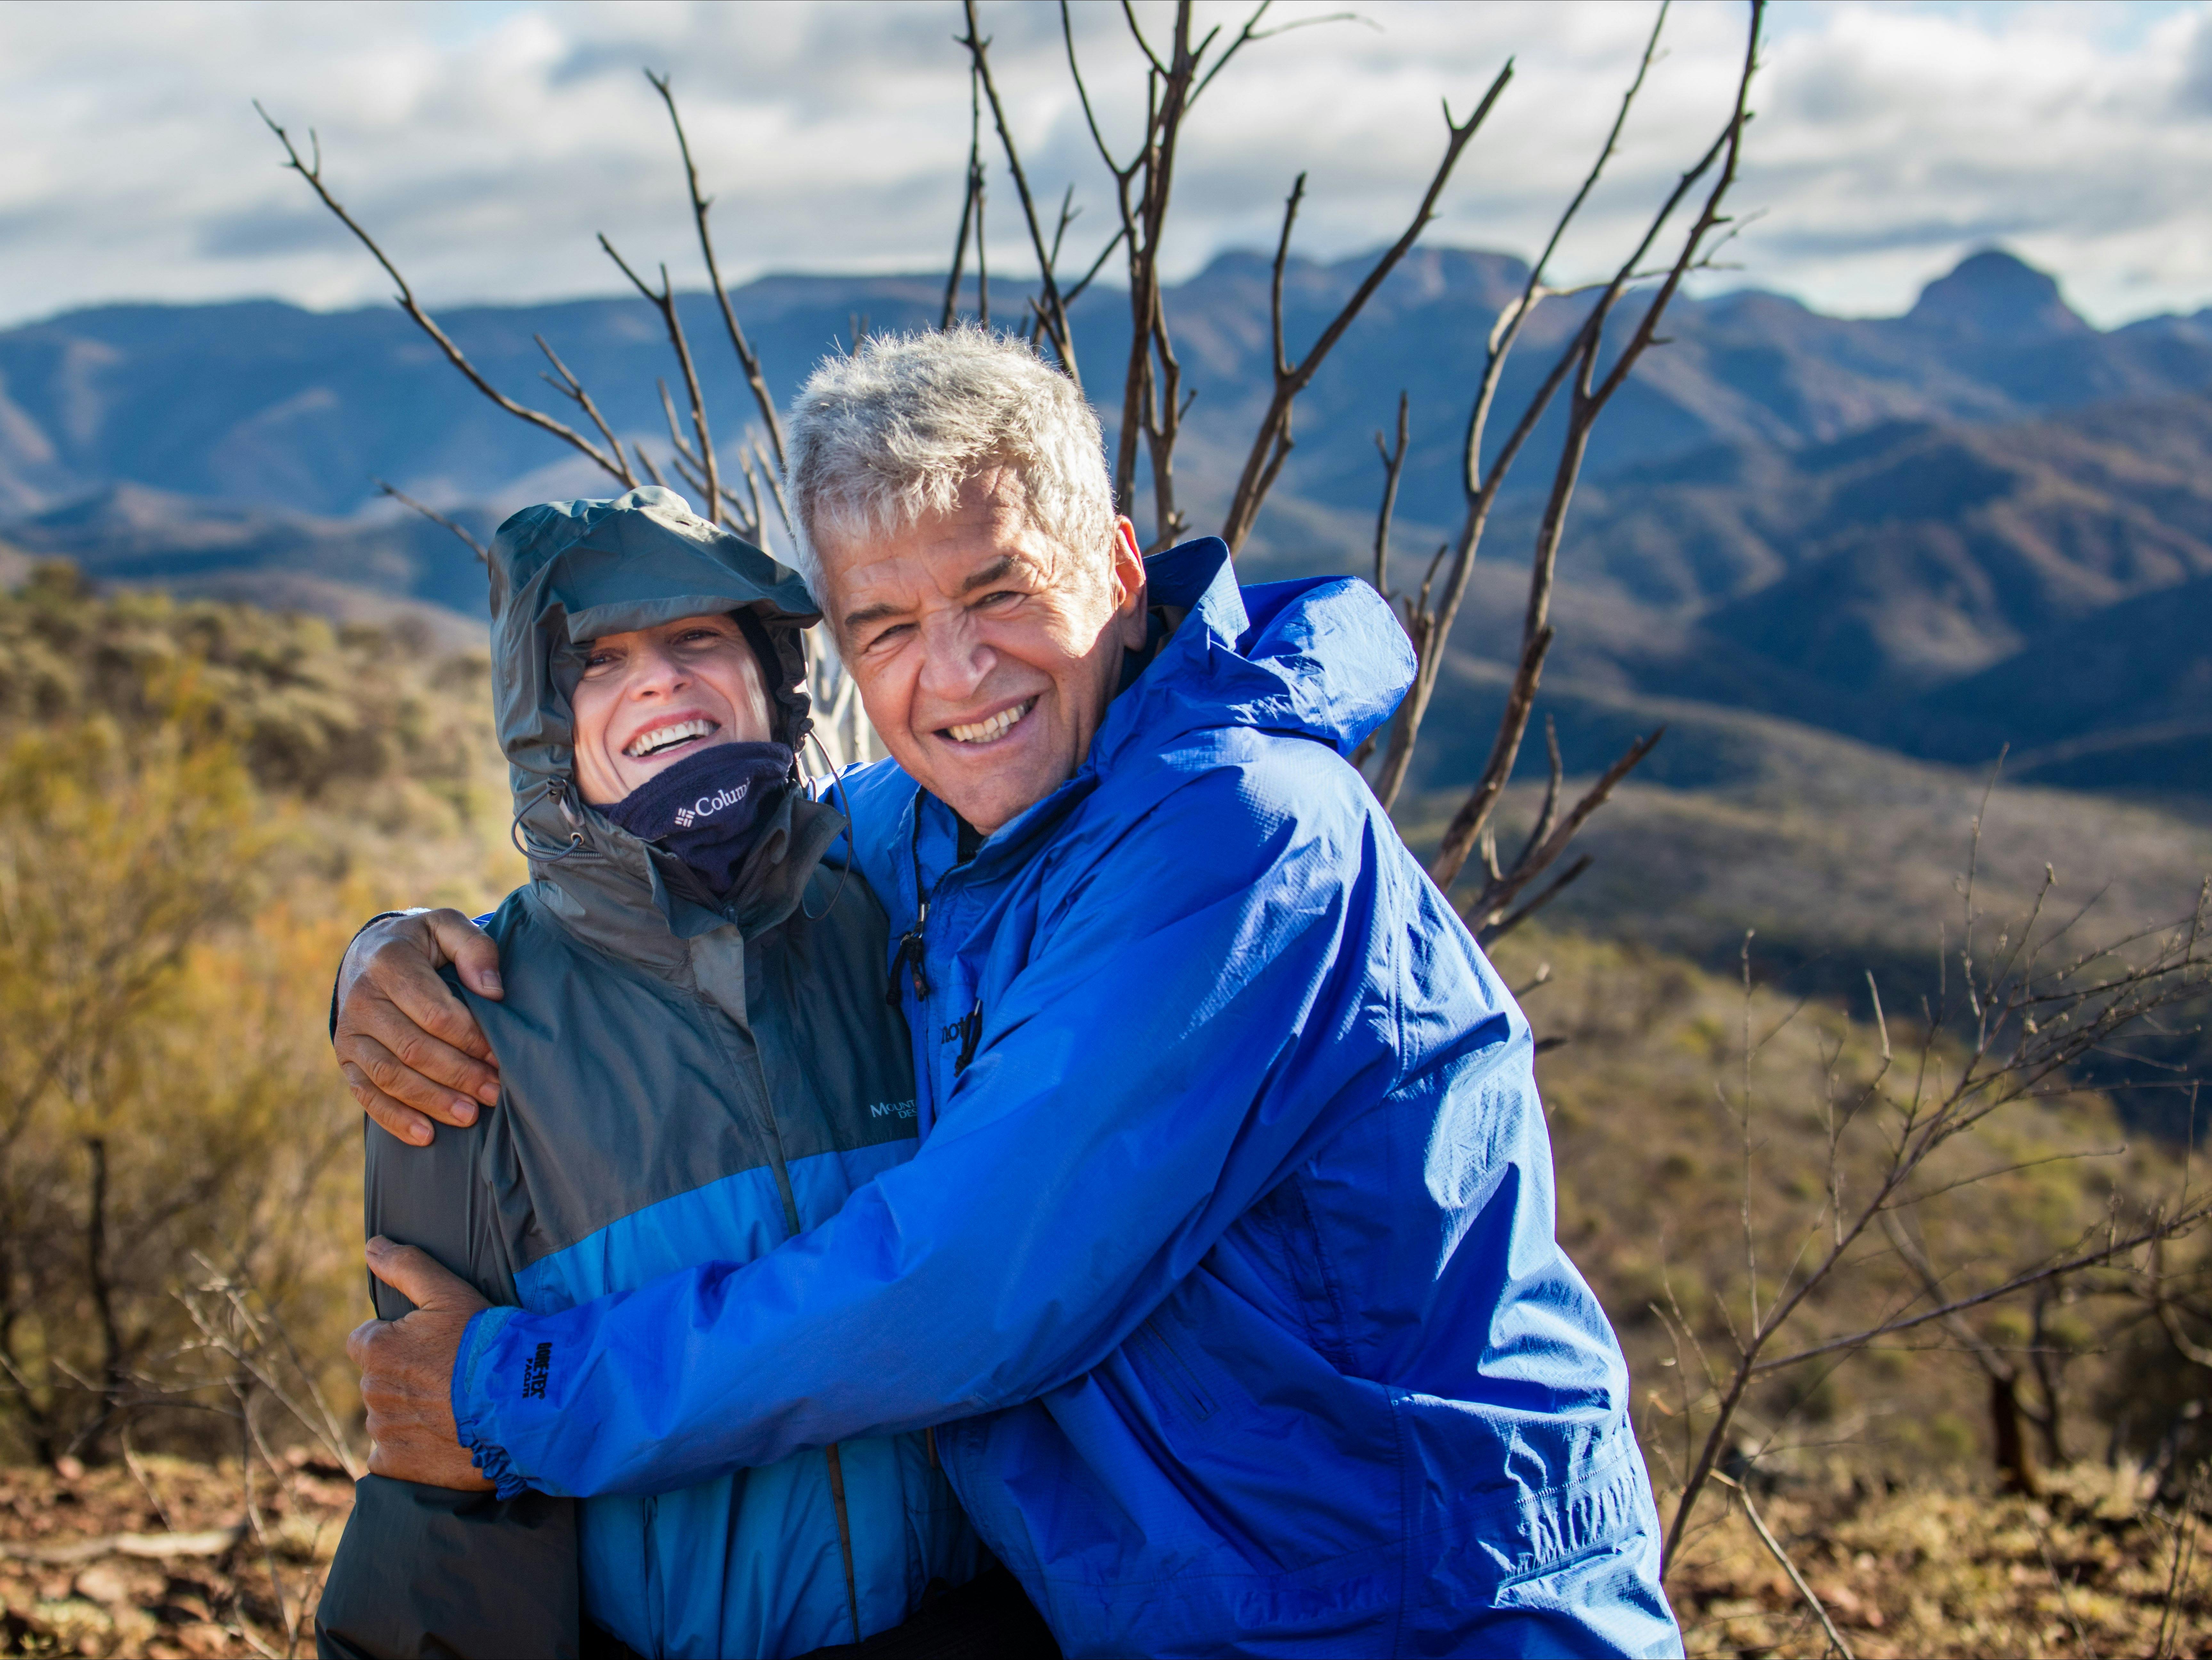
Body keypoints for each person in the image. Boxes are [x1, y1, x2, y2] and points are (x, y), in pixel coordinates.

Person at [336, 328, 1682, 1658]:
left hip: (1423, 1612)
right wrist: (391, 953)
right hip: (1198, 1611)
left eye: (998, 596)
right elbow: (697, 866)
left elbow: (966, 1289)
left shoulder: (1240, 835)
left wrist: (520, 1390)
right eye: (889, 627)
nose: (957, 676)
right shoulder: (943, 824)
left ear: (1111, 564)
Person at [313, 487, 1025, 1660]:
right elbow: (439, 1472)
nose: (658, 681)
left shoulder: (909, 917)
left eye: (698, 638)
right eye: (597, 661)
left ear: (772, 674)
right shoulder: (459, 1031)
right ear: (540, 720)